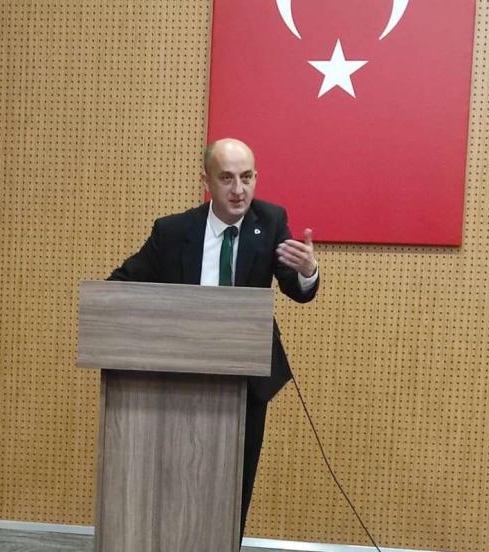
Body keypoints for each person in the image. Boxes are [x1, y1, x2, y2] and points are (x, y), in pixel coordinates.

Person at [108, 137, 319, 544]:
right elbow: (121, 285)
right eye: (227, 178)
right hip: (178, 382)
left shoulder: (270, 221)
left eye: (247, 177)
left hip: (246, 380)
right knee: (175, 487)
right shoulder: (173, 231)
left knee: (234, 490)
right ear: (205, 180)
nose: (239, 190)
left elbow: (296, 288)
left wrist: (308, 271)